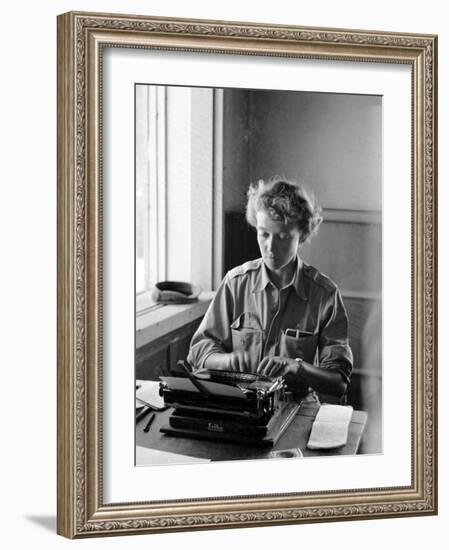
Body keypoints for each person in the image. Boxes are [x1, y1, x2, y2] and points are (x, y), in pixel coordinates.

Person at [187, 177, 353, 402]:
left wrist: (297, 367)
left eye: (283, 237)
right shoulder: (235, 283)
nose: (271, 247)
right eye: (264, 234)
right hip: (240, 404)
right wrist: (226, 361)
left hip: (295, 408)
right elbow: (197, 353)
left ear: (302, 236)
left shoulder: (325, 295)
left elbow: (339, 382)